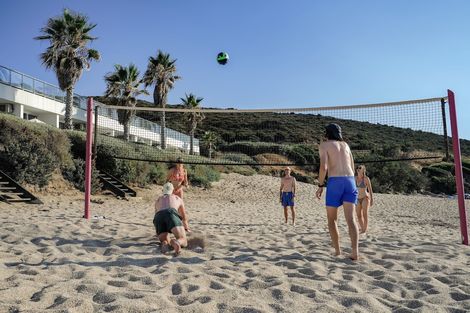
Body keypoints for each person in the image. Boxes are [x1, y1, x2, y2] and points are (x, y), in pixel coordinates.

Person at [315, 123, 359, 260]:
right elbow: (352, 165)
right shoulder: (346, 145)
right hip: (350, 180)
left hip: (335, 182)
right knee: (351, 219)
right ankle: (355, 252)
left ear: (326, 133)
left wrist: (320, 184)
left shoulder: (325, 145)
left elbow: (324, 167)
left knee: (332, 220)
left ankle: (338, 251)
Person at [153, 183, 190, 255]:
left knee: (165, 240)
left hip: (158, 216)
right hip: (170, 213)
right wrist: (186, 228)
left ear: (163, 190)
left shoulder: (158, 200)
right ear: (173, 190)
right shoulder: (177, 198)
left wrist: (157, 233)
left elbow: (156, 217)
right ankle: (177, 242)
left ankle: (164, 243)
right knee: (183, 240)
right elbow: (184, 217)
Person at [355, 165, 374, 234]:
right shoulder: (355, 178)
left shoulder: (366, 179)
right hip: (357, 199)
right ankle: (362, 227)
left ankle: (364, 230)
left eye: (360, 168)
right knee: (358, 215)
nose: (358, 169)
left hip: (365, 198)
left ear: (363, 170)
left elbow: (370, 190)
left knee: (365, 214)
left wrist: (372, 199)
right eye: (357, 168)